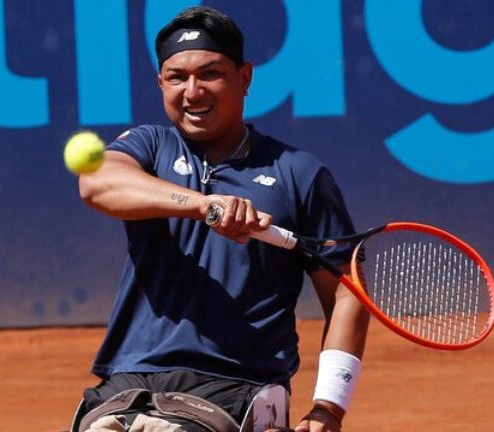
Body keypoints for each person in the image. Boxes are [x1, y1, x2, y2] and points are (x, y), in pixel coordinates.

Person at [73, 6, 369, 432]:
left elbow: (346, 293)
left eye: (210, 73)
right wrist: (204, 205)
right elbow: (97, 184)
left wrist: (329, 408)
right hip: (126, 386)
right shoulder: (150, 147)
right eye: (177, 77)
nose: (192, 92)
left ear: (245, 77)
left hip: (236, 388)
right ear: (160, 83)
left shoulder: (298, 173)